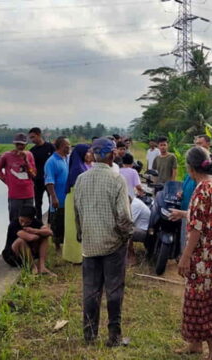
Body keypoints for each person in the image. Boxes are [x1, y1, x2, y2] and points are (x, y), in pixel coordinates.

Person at [74, 138, 132, 347]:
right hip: (113, 244)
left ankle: (90, 335)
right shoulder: (117, 179)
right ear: (110, 154)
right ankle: (114, 336)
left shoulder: (81, 179)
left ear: (93, 154)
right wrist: (126, 236)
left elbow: (77, 212)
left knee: (91, 291)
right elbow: (124, 216)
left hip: (90, 244)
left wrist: (82, 234)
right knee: (114, 290)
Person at [171, 146, 212, 360]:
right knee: (198, 300)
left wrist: (185, 257)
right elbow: (204, 216)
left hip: (202, 256)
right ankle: (194, 345)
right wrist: (183, 213)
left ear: (191, 169)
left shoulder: (202, 188)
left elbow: (198, 227)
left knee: (200, 303)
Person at [0, 133, 37, 223]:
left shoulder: (29, 155)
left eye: (22, 144)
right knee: (14, 221)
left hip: (28, 194)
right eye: (18, 144)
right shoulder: (6, 156)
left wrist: (26, 161)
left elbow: (34, 174)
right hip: (15, 195)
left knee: (29, 220)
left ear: (26, 145)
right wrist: (7, 181)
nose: (20, 146)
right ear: (14, 144)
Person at [1, 206, 55, 275]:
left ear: (32, 220)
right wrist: (41, 233)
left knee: (44, 238)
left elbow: (50, 232)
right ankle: (33, 267)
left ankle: (42, 267)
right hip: (13, 256)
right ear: (19, 217)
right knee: (20, 241)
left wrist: (35, 230)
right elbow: (30, 238)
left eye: (27, 222)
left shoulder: (35, 222)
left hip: (29, 252)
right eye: (21, 221)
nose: (23, 224)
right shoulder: (13, 225)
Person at [62, 144, 91, 264]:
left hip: (77, 199)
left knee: (77, 227)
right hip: (74, 199)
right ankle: (75, 257)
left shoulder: (82, 166)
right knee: (73, 228)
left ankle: (78, 255)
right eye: (88, 152)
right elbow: (77, 188)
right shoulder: (77, 169)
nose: (90, 154)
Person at [44, 136, 70, 251]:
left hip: (67, 198)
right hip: (58, 198)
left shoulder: (66, 158)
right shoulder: (51, 162)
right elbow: (49, 181)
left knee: (65, 222)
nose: (69, 148)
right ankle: (57, 247)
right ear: (60, 147)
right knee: (57, 222)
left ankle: (65, 245)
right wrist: (53, 197)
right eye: (66, 146)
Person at [28, 127, 56, 219]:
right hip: (37, 180)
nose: (32, 140)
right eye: (31, 138)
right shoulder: (32, 151)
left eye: (33, 137)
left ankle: (50, 221)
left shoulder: (50, 147)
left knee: (51, 200)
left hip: (49, 180)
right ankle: (39, 222)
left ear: (39, 135)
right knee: (38, 202)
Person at [129, 195, 151, 266]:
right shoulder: (134, 201)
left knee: (125, 231)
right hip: (144, 230)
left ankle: (131, 257)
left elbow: (128, 223)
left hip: (146, 233)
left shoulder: (134, 206)